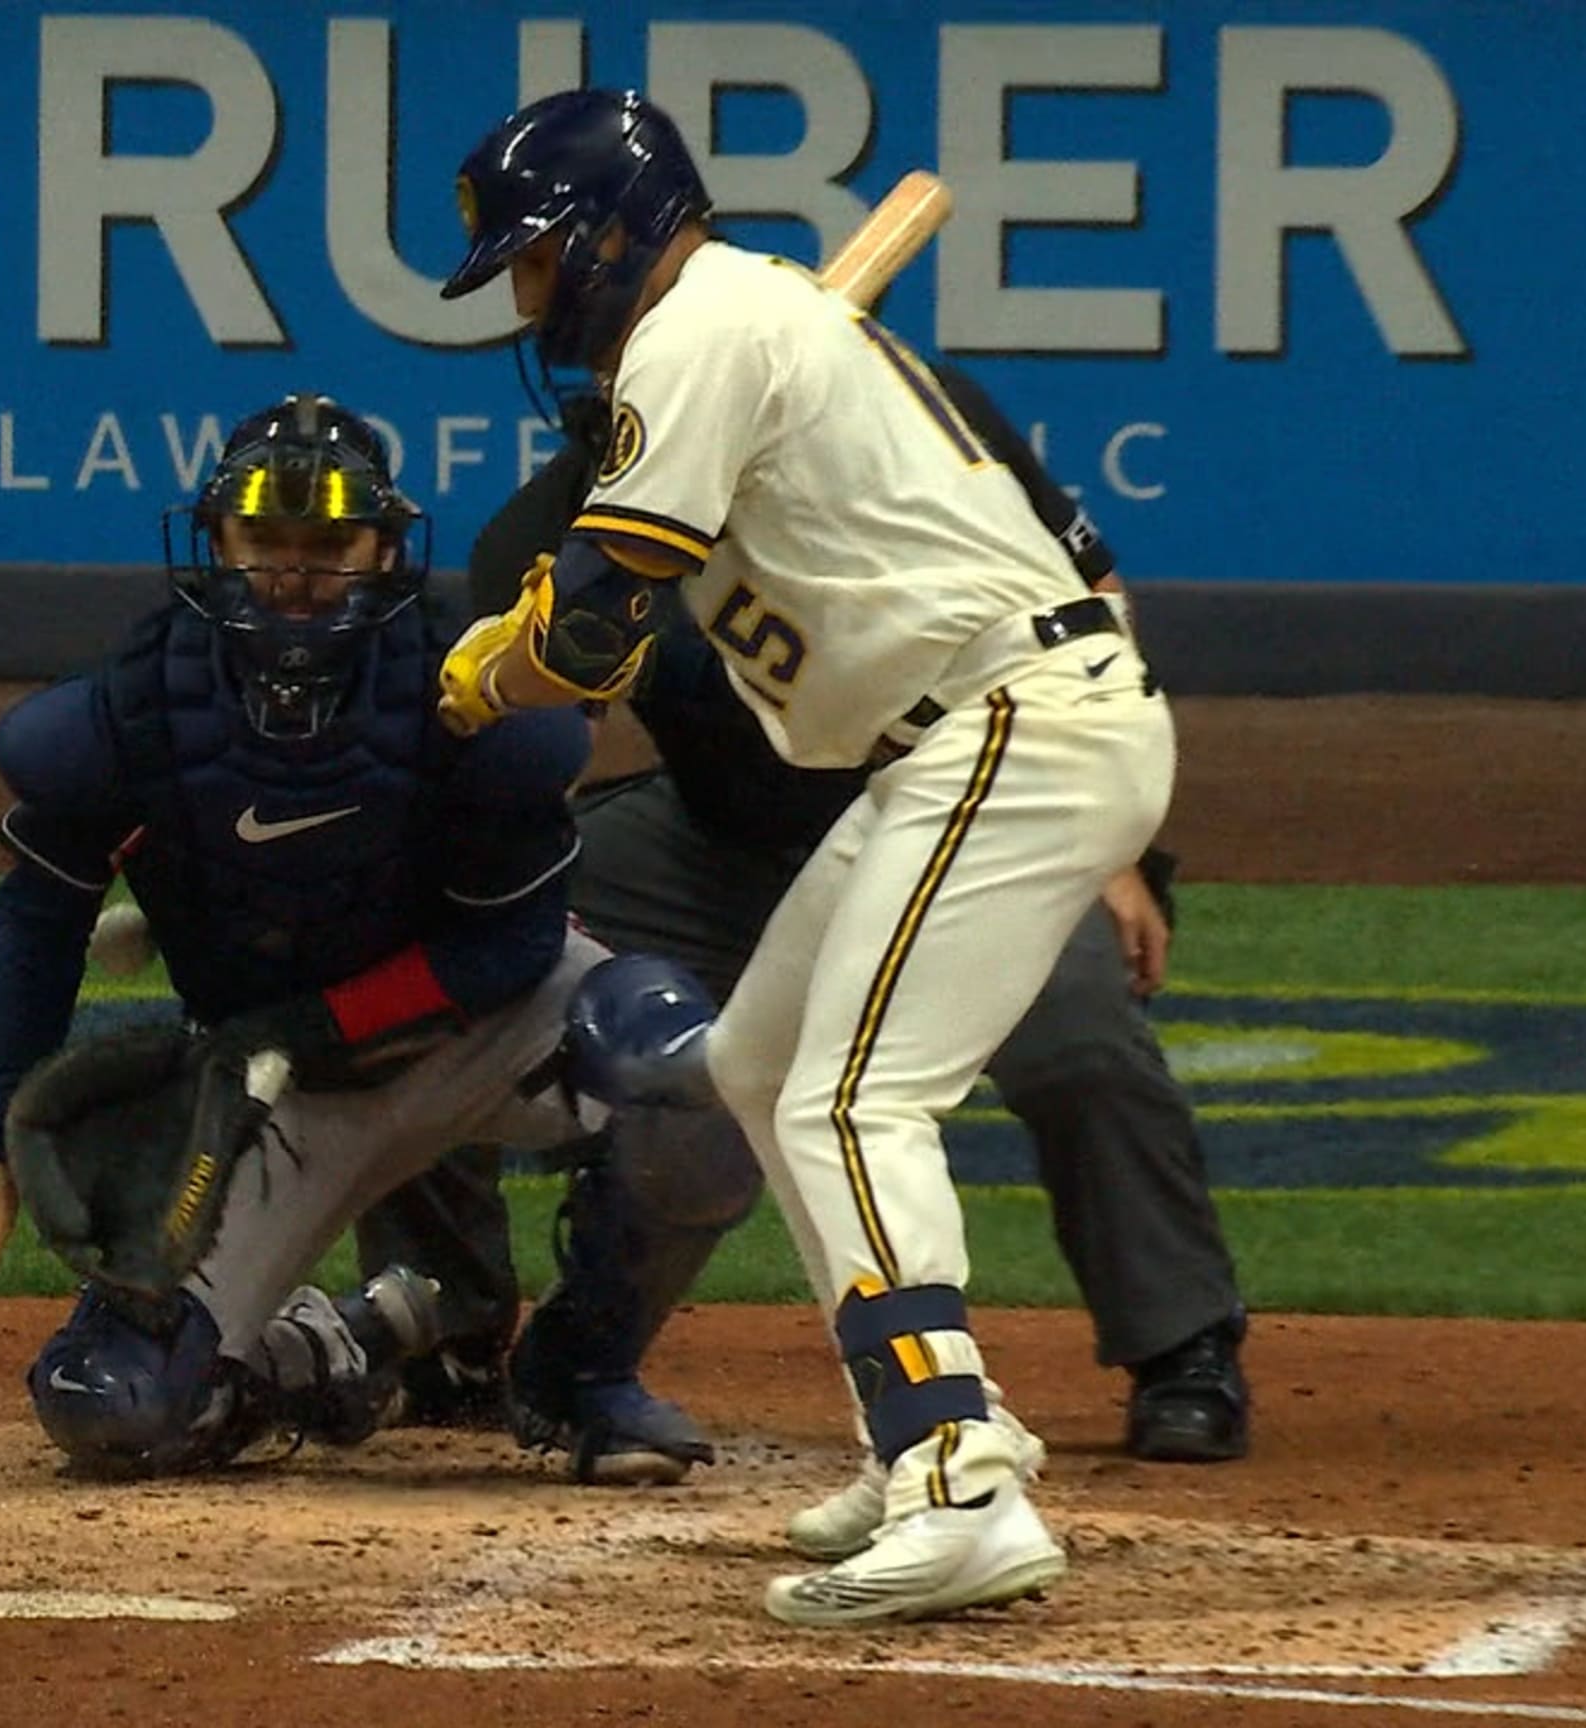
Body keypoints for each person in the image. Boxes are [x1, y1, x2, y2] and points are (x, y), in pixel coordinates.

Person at [430, 89, 1178, 1626]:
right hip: (959, 739)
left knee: (853, 1096)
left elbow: (586, 632)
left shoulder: (699, 333)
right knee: (762, 1066)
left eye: (531, 259)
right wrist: (545, 622)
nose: (523, 295)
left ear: (607, 236)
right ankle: (920, 1420)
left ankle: (958, 1475)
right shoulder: (738, 330)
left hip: (1015, 720)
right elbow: (600, 590)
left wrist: (493, 670)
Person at [358, 392, 1252, 1475]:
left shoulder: (908, 422)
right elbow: (539, 751)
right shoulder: (550, 531)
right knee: (422, 938)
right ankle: (439, 1320)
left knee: (1078, 1039)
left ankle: (1182, 1350)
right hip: (708, 840)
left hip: (965, 804)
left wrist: (1110, 853)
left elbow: (1085, 599)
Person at [0, 392, 752, 1485]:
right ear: (218, 545)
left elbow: (511, 949)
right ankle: (345, 1344)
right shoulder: (128, 717)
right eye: (266, 541)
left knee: (695, 1071)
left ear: (384, 547)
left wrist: (308, 1021)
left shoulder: (474, 703)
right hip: (282, 1088)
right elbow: (39, 919)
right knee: (110, 1407)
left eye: (329, 541)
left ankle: (581, 1370)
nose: (296, 570)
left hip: (478, 1031)